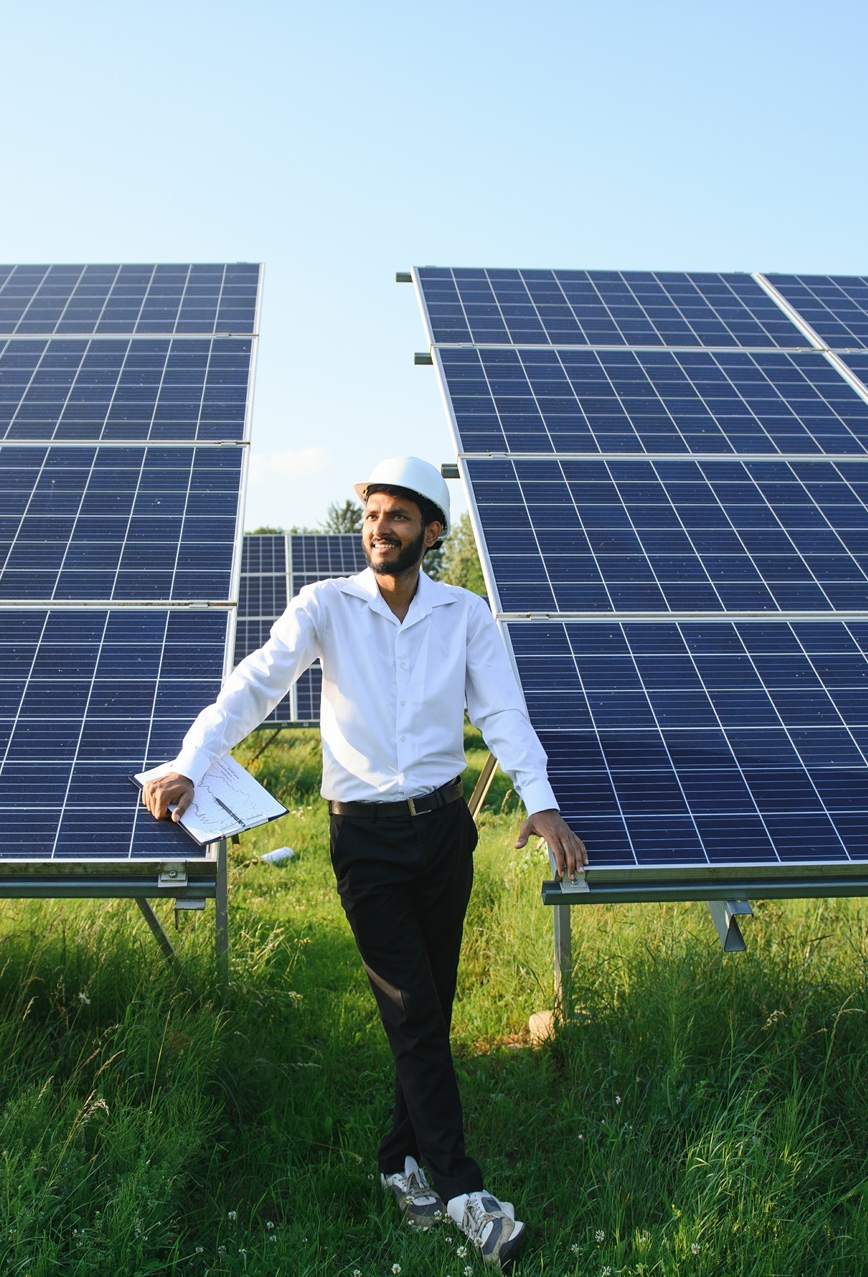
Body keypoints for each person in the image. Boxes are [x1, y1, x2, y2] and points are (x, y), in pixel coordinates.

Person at [141, 455, 586, 1268]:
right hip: (366, 841)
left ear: (432, 532)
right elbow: (255, 684)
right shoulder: (326, 605)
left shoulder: (465, 615)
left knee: (429, 1005)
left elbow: (504, 711)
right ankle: (463, 1191)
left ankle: (398, 1160)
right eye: (373, 516)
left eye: (398, 518)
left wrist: (541, 799)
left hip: (447, 831)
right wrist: (191, 759)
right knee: (413, 1005)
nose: (380, 529)